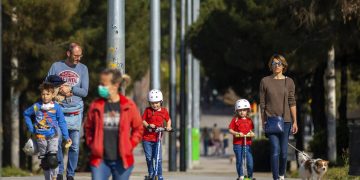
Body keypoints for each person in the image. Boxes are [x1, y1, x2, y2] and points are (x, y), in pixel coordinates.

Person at [84, 68, 143, 180]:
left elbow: (138, 128)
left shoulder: (128, 105)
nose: (100, 87)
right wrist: (92, 144)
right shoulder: (96, 105)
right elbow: (88, 127)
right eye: (100, 84)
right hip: (100, 160)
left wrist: (130, 144)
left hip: (122, 160)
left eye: (103, 84)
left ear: (115, 85)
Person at [47, 43, 89, 180]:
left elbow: (84, 92)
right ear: (68, 54)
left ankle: (70, 174)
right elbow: (46, 85)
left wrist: (71, 89)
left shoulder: (83, 69)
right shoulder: (56, 66)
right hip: (58, 110)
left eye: (80, 55)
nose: (79, 58)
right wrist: (59, 89)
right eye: (76, 55)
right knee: (57, 142)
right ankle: (59, 172)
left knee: (74, 146)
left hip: (75, 112)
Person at [259, 54, 298, 180]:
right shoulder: (265, 81)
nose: (276, 65)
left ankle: (282, 175)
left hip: (286, 121)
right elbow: (262, 103)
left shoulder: (289, 81)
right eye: (274, 63)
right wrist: (263, 121)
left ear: (283, 66)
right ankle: (276, 178)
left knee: (284, 153)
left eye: (279, 63)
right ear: (270, 66)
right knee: (275, 150)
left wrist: (295, 121)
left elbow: (292, 102)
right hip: (271, 121)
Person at [24, 83, 72, 180]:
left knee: (52, 159)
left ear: (53, 95)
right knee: (45, 162)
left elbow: (62, 122)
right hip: (40, 137)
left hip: (53, 135)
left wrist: (66, 137)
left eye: (48, 94)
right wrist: (31, 128)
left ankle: (55, 176)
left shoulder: (56, 107)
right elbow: (26, 114)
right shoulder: (37, 106)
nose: (45, 96)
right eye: (43, 94)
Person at [142, 89, 172, 180]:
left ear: (161, 102)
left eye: (157, 103)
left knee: (158, 158)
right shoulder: (147, 110)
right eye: (152, 103)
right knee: (149, 157)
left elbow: (168, 120)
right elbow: (143, 120)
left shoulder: (164, 111)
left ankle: (159, 175)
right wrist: (148, 125)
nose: (155, 105)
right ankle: (151, 172)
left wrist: (168, 127)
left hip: (157, 139)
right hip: (146, 139)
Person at [229, 99, 255, 180]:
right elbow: (230, 129)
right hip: (238, 144)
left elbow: (251, 130)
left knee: (249, 161)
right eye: (240, 110)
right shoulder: (235, 120)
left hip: (247, 143)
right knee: (239, 160)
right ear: (237, 111)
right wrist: (236, 133)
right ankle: (241, 175)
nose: (242, 112)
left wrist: (252, 133)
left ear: (247, 110)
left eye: (244, 110)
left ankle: (250, 176)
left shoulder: (249, 120)